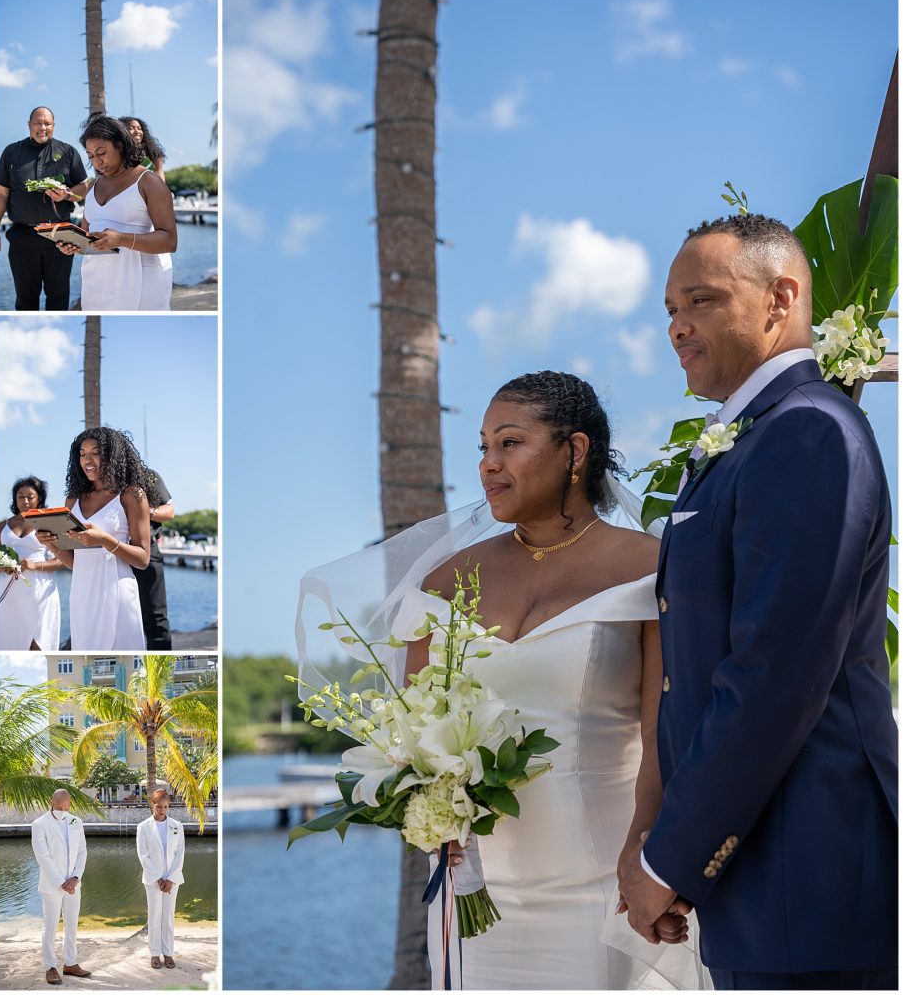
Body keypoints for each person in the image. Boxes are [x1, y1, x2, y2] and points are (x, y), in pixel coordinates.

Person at [297, 371, 702, 990]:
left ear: (575, 451)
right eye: (483, 448)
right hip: (472, 892)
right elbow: (415, 731)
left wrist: (647, 857)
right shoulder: (444, 579)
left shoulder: (649, 566)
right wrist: (426, 812)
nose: (488, 465)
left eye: (509, 443)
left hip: (605, 881)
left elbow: (663, 734)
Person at [618, 215, 898, 990]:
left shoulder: (806, 433)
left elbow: (774, 677)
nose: (676, 327)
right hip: (758, 875)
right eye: (669, 309)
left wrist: (670, 855)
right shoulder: (752, 437)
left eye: (700, 301)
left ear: (781, 298)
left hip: (812, 875)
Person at [37, 427, 155, 650]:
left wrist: (105, 540)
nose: (87, 460)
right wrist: (51, 543)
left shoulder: (131, 494)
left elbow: (143, 559)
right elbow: (75, 562)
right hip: (82, 593)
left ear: (112, 456)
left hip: (117, 589)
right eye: (82, 454)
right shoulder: (73, 500)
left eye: (96, 452)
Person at [55, 115, 176, 310]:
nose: (97, 162)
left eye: (101, 152)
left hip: (142, 280)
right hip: (97, 284)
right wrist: (75, 246)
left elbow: (170, 241)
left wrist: (121, 239)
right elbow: (88, 237)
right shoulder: (93, 187)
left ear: (120, 145)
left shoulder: (149, 182)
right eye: (91, 156)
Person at [0, 106, 89, 310]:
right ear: (29, 125)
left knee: (59, 298)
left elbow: (84, 188)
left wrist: (67, 194)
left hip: (60, 236)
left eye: (47, 123)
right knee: (25, 300)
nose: (42, 127)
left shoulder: (68, 152)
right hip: (22, 236)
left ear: (53, 126)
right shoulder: (11, 152)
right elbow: (1, 193)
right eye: (38, 123)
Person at [30, 789, 91, 985]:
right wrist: (61, 882)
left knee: (72, 924)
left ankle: (70, 963)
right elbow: (43, 857)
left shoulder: (76, 822)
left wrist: (75, 877)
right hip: (51, 885)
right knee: (50, 926)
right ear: (51, 802)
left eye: (66, 807)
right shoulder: (39, 825)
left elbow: (82, 851)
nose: (63, 811)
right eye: (59, 807)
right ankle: (50, 966)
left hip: (74, 884)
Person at [0, 475, 61, 650]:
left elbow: (62, 560)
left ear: (39, 498)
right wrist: (5, 567)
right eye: (20, 496)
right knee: (12, 644)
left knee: (39, 644)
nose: (25, 500)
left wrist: (34, 565)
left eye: (30, 496)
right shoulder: (2, 526)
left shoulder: (49, 522)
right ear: (15, 499)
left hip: (40, 589)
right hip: (10, 592)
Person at [136, 789, 185, 970]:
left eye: (165, 806)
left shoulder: (177, 826)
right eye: (158, 806)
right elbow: (143, 855)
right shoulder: (143, 827)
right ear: (152, 805)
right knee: (154, 915)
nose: (162, 810)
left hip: (172, 880)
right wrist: (158, 878)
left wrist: (171, 878)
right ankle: (154, 953)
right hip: (153, 880)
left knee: (168, 916)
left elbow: (180, 853)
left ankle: (168, 953)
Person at [132, 468, 175, 649]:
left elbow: (170, 511)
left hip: (147, 552)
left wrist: (144, 510)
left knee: (155, 617)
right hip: (112, 555)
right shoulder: (101, 479)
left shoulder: (146, 475)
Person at [118, 117, 167, 181]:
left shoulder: (152, 153)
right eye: (131, 128)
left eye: (139, 128)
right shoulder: (117, 154)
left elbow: (159, 174)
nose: (137, 131)